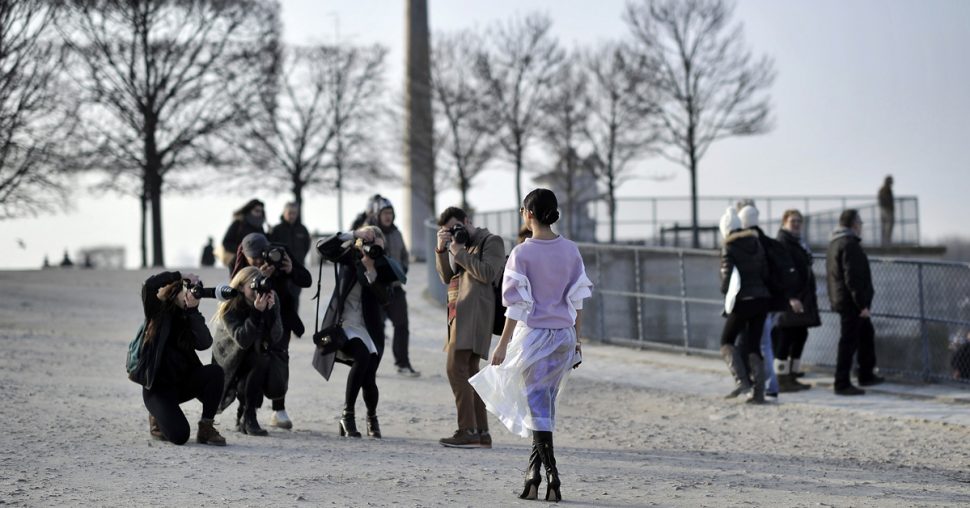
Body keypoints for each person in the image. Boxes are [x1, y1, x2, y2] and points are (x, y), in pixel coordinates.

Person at [469, 188, 591, 502]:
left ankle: (553, 476)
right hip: (564, 337)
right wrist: (577, 342)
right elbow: (577, 301)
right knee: (543, 406)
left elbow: (516, 307)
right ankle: (533, 476)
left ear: (528, 214)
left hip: (535, 336)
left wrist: (502, 344)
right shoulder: (571, 250)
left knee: (538, 408)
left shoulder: (522, 253)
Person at [313, 225, 405, 438]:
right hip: (344, 324)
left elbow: (386, 299)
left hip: (369, 328)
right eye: (370, 244)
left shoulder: (384, 266)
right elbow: (322, 248)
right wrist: (354, 234)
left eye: (378, 247)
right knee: (362, 357)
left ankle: (371, 417)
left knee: (369, 376)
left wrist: (371, 271)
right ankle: (348, 414)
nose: (373, 249)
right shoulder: (349, 256)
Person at [434, 206, 506, 448]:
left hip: (476, 315)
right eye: (448, 230)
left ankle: (468, 430)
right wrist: (442, 249)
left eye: (457, 227)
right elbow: (446, 277)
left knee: (455, 368)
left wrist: (459, 251)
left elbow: (487, 273)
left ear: (467, 221)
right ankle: (482, 433)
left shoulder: (491, 241)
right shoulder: (457, 245)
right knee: (471, 372)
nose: (455, 232)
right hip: (459, 313)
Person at [133, 270, 226, 446]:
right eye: (188, 289)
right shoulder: (157, 311)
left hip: (183, 384)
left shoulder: (189, 316)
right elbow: (149, 286)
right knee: (180, 436)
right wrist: (179, 275)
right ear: (177, 290)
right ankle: (157, 415)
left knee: (215, 372)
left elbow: (204, 343)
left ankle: (206, 427)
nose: (191, 293)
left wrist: (193, 312)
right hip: (157, 390)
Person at [231, 232, 312, 429]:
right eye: (254, 258)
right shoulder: (239, 263)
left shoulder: (280, 254)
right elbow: (235, 291)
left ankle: (279, 409)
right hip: (253, 317)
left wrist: (291, 270)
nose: (259, 260)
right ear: (245, 254)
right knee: (253, 362)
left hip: (281, 317)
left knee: (279, 359)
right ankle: (246, 410)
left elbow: (306, 280)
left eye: (261, 255)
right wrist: (259, 278)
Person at [211, 266, 284, 436]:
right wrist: (257, 313)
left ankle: (247, 414)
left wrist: (270, 312)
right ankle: (247, 415)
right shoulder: (229, 305)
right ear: (241, 287)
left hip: (256, 355)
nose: (256, 290)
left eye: (259, 285)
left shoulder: (269, 299)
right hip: (229, 358)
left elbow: (276, 337)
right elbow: (242, 340)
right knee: (256, 358)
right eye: (252, 286)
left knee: (261, 359)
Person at [826, 209, 884, 395]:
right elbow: (853, 277)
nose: (861, 227)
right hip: (852, 303)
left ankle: (866, 374)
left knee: (866, 334)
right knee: (848, 342)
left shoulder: (835, 242)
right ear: (854, 224)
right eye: (860, 223)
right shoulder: (849, 244)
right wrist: (862, 305)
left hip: (845, 299)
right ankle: (841, 383)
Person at [718, 206, 772, 404]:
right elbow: (765, 272)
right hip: (762, 299)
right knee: (754, 345)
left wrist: (727, 296)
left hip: (742, 301)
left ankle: (742, 381)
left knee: (726, 341)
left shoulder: (728, 247)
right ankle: (759, 393)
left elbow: (726, 278)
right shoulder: (755, 242)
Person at [368, 195, 418, 377]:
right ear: (378, 215)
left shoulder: (397, 233)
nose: (388, 216)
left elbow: (404, 255)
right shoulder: (371, 233)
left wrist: (401, 270)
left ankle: (403, 363)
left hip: (396, 289)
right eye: (385, 213)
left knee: (402, 325)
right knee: (376, 328)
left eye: (390, 213)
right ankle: (370, 365)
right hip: (377, 290)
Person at [773, 210, 819, 391]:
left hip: (802, 297)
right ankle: (781, 378)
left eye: (799, 221)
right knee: (786, 336)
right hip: (791, 298)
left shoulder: (798, 242)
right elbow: (785, 272)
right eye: (793, 221)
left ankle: (792, 374)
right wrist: (791, 297)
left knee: (800, 334)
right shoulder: (783, 242)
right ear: (784, 222)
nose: (797, 224)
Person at [221, 199, 266, 272]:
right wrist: (244, 251)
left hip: (257, 263)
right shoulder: (238, 223)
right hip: (239, 262)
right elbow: (226, 242)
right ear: (249, 210)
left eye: (261, 211)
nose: (259, 213)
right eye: (257, 211)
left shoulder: (260, 226)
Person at [878, 175, 894, 245]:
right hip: (886, 210)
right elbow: (882, 200)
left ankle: (886, 242)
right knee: (886, 227)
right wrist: (887, 208)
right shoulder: (884, 190)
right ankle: (886, 243)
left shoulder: (887, 189)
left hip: (886, 210)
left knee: (886, 227)